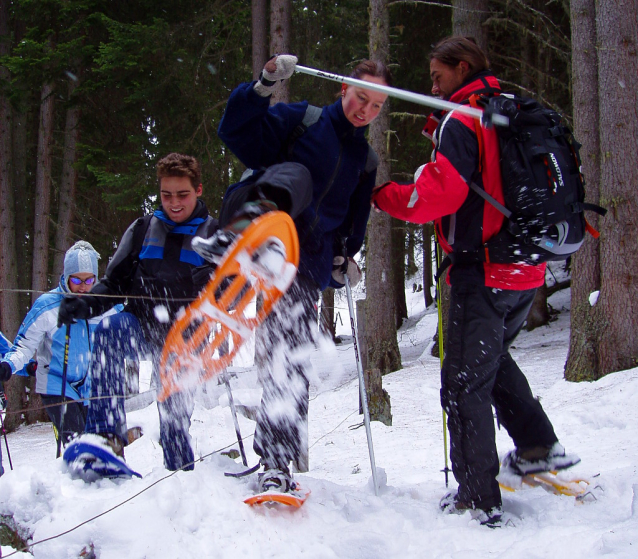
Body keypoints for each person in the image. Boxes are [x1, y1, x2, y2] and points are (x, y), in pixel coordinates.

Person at [371, 36, 579, 526]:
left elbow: (438, 196)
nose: (432, 83)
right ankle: (537, 448)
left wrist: (385, 196)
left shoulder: (463, 119)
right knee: (491, 363)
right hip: (525, 269)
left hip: (482, 271)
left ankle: (477, 497)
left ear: (461, 68)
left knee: (464, 384)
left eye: (438, 75)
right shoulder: (503, 112)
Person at [193, 55, 391, 493]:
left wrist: (344, 260)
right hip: (261, 226)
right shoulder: (304, 119)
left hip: (301, 266)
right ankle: (236, 240)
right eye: (361, 98)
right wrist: (262, 86)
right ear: (344, 89)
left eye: (376, 105)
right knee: (298, 175)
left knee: (290, 358)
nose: (366, 111)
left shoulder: (366, 160)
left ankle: (277, 462)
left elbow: (351, 225)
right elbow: (238, 132)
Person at [57, 153, 218, 471]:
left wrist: (215, 281)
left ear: (198, 190)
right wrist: (85, 303)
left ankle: (180, 476)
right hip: (141, 325)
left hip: (187, 336)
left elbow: (234, 292)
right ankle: (105, 439)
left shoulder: (215, 234)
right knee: (110, 328)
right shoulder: (143, 229)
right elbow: (113, 284)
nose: (174, 203)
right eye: (166, 194)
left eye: (182, 194)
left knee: (173, 417)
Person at [0, 241, 119, 446]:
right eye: (77, 280)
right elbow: (24, 345)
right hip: (57, 384)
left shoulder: (107, 305)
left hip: (93, 385)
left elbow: (129, 330)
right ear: (66, 277)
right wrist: (8, 364)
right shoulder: (47, 305)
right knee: (80, 443)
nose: (83, 286)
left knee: (105, 445)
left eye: (89, 280)